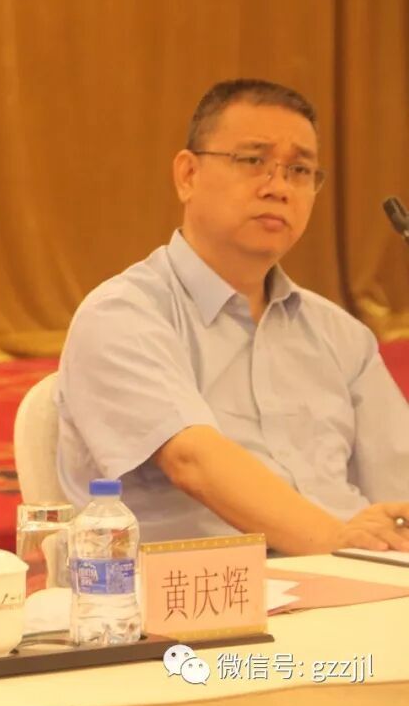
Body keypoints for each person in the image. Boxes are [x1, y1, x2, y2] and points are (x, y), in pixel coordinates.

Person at [55, 79, 409, 555]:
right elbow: (194, 462)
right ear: (188, 175)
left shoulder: (342, 336)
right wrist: (337, 542)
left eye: (300, 170)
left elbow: (398, 488)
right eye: (252, 161)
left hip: (358, 575)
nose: (278, 187)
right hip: (208, 590)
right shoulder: (122, 315)